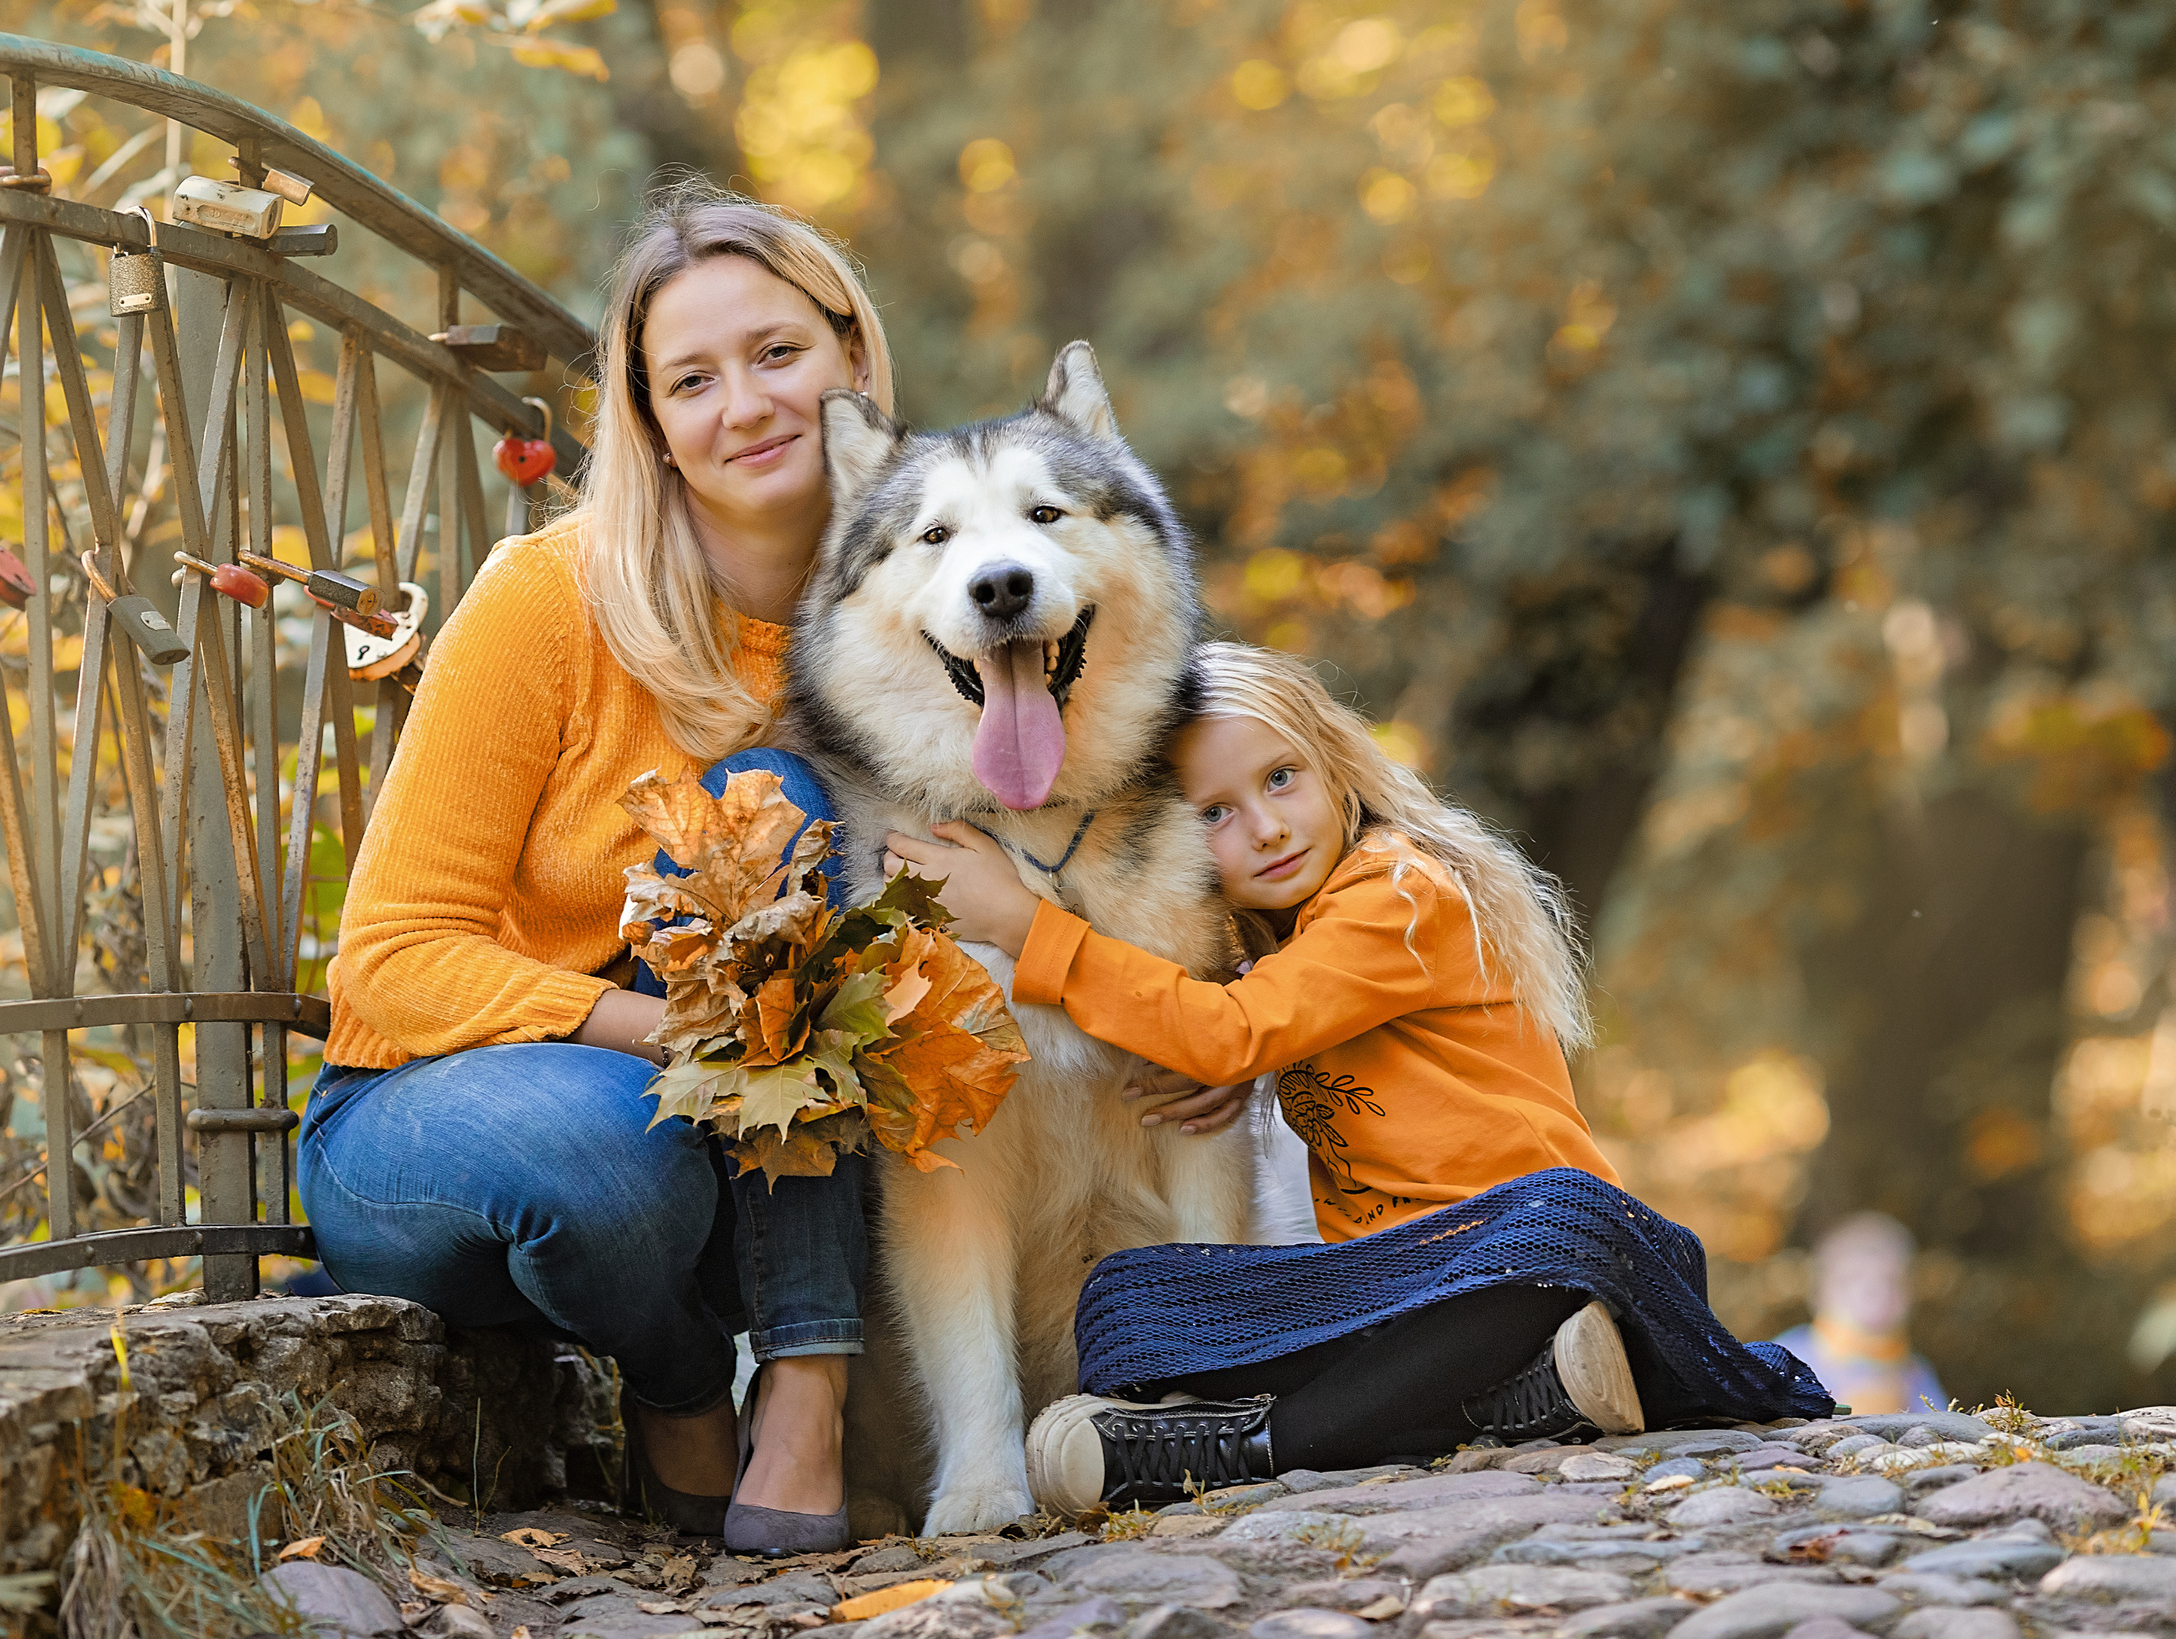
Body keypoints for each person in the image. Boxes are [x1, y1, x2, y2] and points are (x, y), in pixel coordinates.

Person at [888, 642, 1832, 1511]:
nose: (1263, 827)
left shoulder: (1400, 891)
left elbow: (1236, 1027)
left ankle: (1254, 1446)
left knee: (1557, 1221)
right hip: (1382, 1292)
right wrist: (1248, 1069)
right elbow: (1256, 1023)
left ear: (1336, 763)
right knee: (1129, 1302)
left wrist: (1027, 925)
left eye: (1281, 778)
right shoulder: (1290, 948)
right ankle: (1524, 1399)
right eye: (1214, 812)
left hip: (1536, 1260)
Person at [298, 184, 893, 1555]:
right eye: (692, 378)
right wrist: (675, 1030)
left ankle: (807, 1391)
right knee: (611, 1148)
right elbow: (387, 958)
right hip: (429, 1108)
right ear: (653, 422)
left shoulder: (913, 606)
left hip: (707, 1135)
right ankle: (684, 1384)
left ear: (853, 356)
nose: (744, 403)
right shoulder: (547, 597)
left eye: (778, 353)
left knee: (785, 807)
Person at [1775, 1213, 1946, 1415]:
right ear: (1818, 1293)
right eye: (1851, 1281)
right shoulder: (1787, 1355)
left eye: (1890, 1282)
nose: (1873, 1294)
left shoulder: (1914, 1371)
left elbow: (1942, 1428)